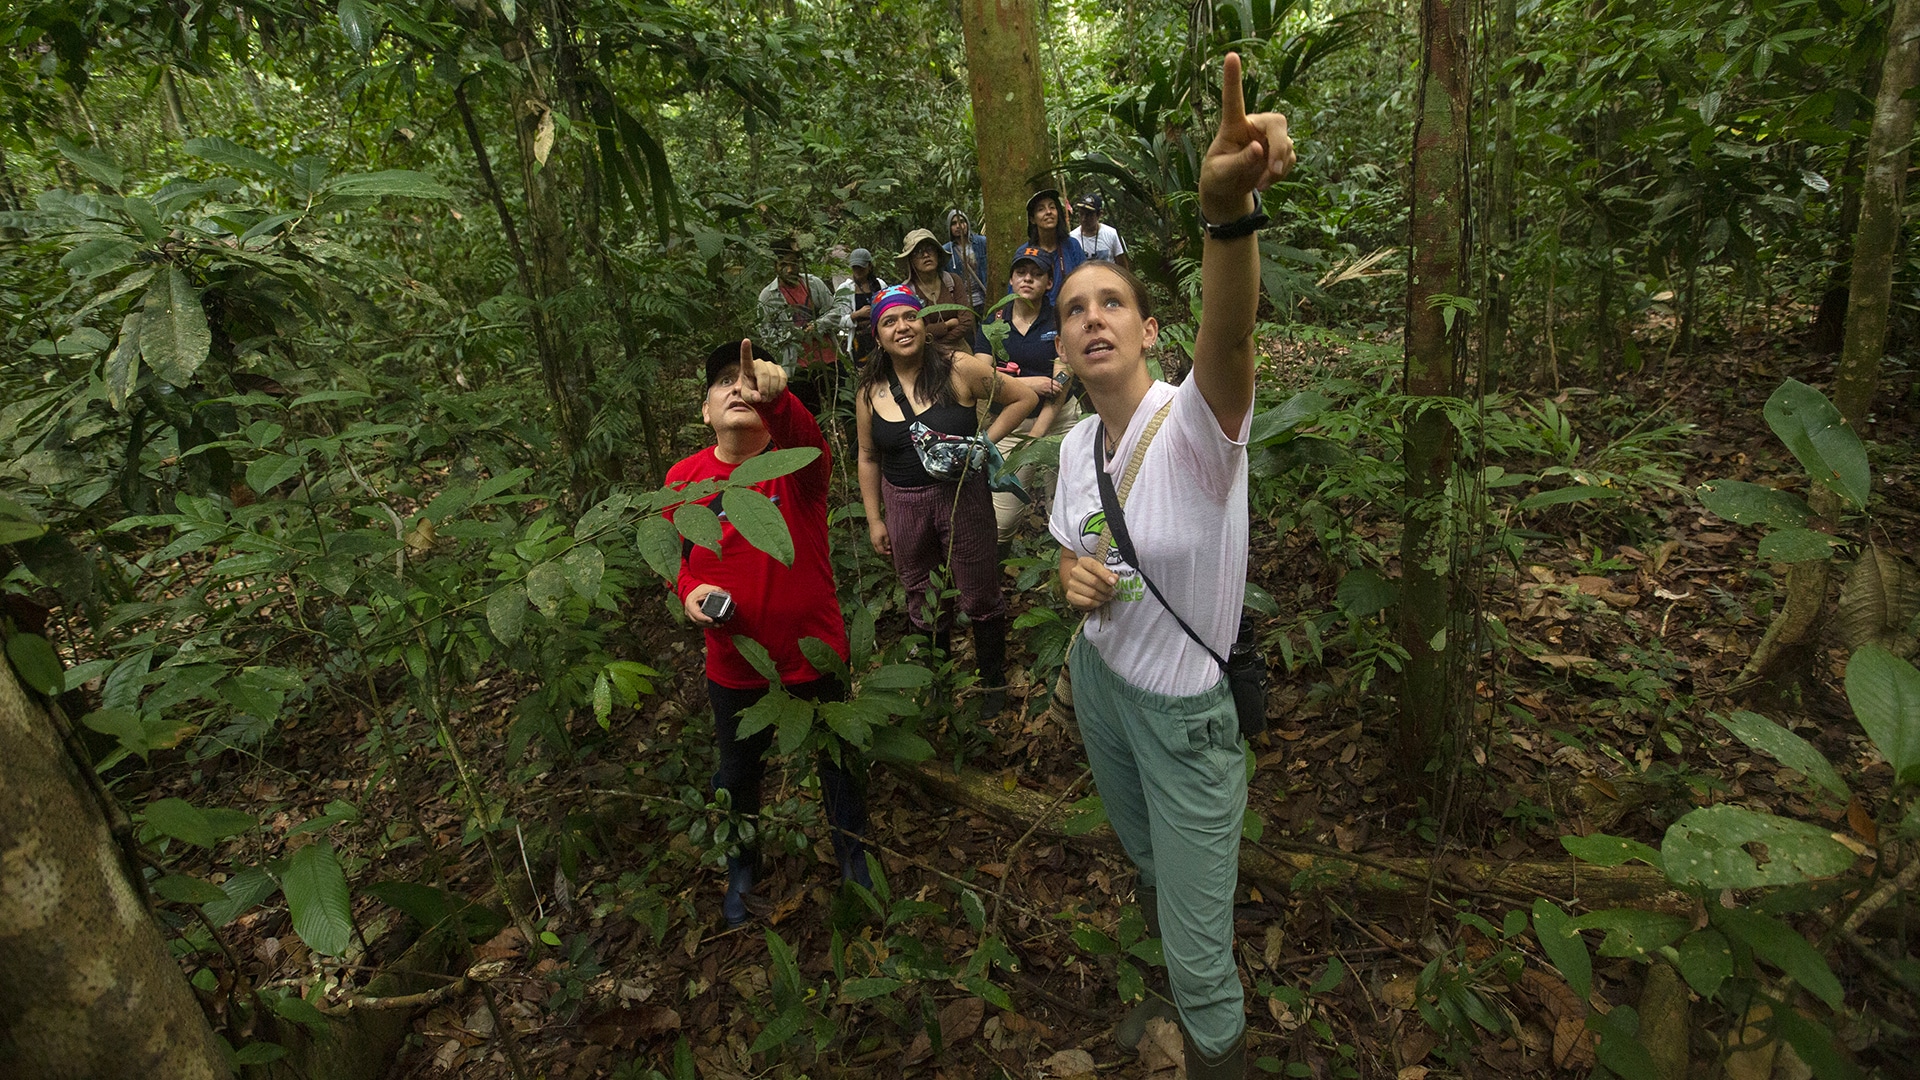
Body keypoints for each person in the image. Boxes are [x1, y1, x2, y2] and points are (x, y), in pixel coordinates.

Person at [1049, 53, 1294, 1079]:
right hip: (1101, 685)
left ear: (1149, 332)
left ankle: (1212, 1039)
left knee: (1204, 963)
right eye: (1073, 309)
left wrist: (1224, 217)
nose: (1091, 316)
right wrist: (1073, 581)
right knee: (1146, 858)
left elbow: (1231, 344)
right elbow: (1079, 546)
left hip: (1188, 716)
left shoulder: (1195, 425)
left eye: (1111, 302)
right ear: (1060, 349)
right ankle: (1176, 978)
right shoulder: (1071, 447)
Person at [669, 340, 871, 928]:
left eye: (748, 379)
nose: (738, 387)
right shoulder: (684, 480)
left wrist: (779, 398)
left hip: (815, 653)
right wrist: (688, 593)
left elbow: (807, 440)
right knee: (739, 774)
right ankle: (742, 869)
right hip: (736, 664)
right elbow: (676, 563)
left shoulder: (796, 467)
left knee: (837, 766)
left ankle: (854, 863)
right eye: (724, 383)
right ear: (705, 410)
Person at [856, 285, 1038, 716]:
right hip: (903, 504)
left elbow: (1024, 398)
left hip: (962, 497)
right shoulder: (871, 390)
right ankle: (937, 685)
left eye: (909, 317)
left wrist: (982, 443)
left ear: (923, 322)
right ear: (878, 334)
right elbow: (867, 456)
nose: (902, 327)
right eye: (889, 321)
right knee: (921, 593)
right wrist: (874, 519)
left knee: (979, 590)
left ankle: (992, 685)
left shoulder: (958, 367)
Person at [978, 244, 1080, 544]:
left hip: (1059, 421)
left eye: (1037, 274)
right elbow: (982, 378)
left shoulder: (1060, 320)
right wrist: (1032, 383)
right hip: (1009, 423)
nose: (1028, 279)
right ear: (1010, 279)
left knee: (1065, 507)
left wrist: (1036, 438)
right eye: (1021, 272)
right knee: (1003, 519)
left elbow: (1059, 387)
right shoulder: (994, 320)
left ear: (1049, 282)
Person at [757, 238, 851, 415]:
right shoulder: (768, 296)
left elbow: (837, 310)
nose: (791, 268)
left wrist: (818, 326)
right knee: (810, 417)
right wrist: (797, 334)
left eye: (794, 262)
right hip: (798, 368)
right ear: (775, 265)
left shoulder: (814, 284)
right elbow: (767, 335)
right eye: (785, 264)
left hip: (830, 360)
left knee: (848, 408)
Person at [898, 228, 977, 351]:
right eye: (918, 252)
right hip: (925, 356)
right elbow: (916, 330)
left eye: (930, 249)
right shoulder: (906, 292)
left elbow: (966, 322)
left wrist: (937, 341)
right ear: (911, 260)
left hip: (960, 351)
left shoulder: (953, 281)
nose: (925, 255)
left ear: (938, 254)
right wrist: (948, 324)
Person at [1022, 189, 1087, 306]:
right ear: (1032, 219)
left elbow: (1085, 280)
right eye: (1041, 209)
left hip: (1070, 311)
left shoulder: (1071, 246)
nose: (1048, 212)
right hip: (1037, 317)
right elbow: (1017, 294)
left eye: (1052, 207)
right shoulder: (1025, 252)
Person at [843, 248, 888, 359]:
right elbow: (837, 319)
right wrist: (858, 314)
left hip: (880, 337)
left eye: (861, 267)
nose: (858, 270)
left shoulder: (880, 285)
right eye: (855, 267)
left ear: (869, 266)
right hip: (859, 341)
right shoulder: (845, 289)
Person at [944, 208, 991, 313]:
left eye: (962, 221)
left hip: (984, 298)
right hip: (963, 303)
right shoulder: (946, 251)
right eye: (954, 223)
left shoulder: (982, 243)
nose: (958, 226)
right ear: (949, 228)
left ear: (967, 223)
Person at [1072, 192, 1130, 268]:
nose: (1084, 219)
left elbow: (1123, 267)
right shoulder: (1072, 238)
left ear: (1099, 214)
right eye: (1081, 214)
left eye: (1089, 215)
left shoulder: (1112, 235)